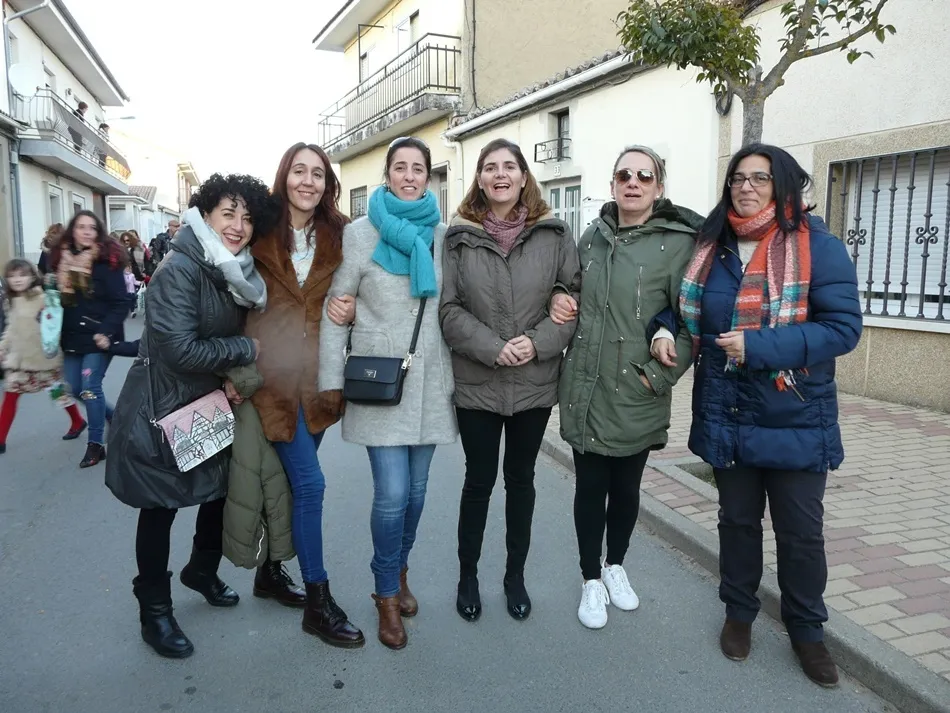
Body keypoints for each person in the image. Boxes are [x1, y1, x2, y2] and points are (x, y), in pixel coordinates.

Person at [668, 143, 861, 688]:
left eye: (759, 178)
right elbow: (687, 308)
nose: (745, 187)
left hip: (794, 413)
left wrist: (759, 346)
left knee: (801, 534)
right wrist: (663, 326)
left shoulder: (818, 246)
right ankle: (739, 612)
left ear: (783, 185)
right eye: (737, 178)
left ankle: (807, 630)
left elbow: (843, 329)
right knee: (736, 522)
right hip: (727, 410)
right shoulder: (713, 246)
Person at [104, 173, 275, 659]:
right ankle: (154, 609)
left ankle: (201, 569)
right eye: (228, 213)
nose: (238, 225)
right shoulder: (180, 268)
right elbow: (180, 349)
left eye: (247, 217)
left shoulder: (231, 271)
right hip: (162, 406)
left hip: (208, 402)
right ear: (205, 216)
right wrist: (245, 349)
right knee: (160, 508)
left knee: (216, 493)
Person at [551, 145, 702, 630]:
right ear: (613, 184)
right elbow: (570, 289)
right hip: (586, 386)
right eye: (624, 175)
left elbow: (691, 321)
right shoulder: (592, 236)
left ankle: (615, 564)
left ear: (659, 187)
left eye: (644, 176)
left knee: (626, 489)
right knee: (590, 488)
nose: (632, 182)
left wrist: (656, 376)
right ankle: (590, 578)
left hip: (636, 387)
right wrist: (560, 297)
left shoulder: (680, 244)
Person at [320, 136, 457, 650]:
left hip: (429, 381)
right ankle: (384, 593)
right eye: (400, 167)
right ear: (387, 175)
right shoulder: (360, 234)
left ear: (428, 176)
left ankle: (400, 569)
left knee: (417, 494)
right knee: (393, 493)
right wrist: (331, 382)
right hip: (380, 381)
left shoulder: (443, 236)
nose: (409, 176)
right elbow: (336, 309)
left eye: (418, 168)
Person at [439, 138, 580, 623]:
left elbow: (571, 300)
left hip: (533, 383)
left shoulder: (554, 235)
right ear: (479, 179)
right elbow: (448, 309)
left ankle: (514, 576)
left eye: (509, 167)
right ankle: (468, 576)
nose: (500, 174)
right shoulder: (458, 239)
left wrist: (536, 343)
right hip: (477, 381)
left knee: (521, 481)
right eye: (490, 167)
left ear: (523, 177)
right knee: (478, 481)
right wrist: (492, 347)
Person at [236, 142, 364, 648]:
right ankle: (318, 601)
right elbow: (226, 289)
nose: (308, 181)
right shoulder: (259, 231)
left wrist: (354, 308)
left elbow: (369, 289)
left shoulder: (342, 235)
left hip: (320, 383)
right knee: (310, 486)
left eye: (317, 174)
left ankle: (269, 573)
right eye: (299, 171)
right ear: (284, 177)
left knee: (290, 484)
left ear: (327, 183)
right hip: (271, 383)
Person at [47, 211, 129, 468]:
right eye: (81, 227)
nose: (86, 231)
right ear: (72, 230)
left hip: (99, 336)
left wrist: (105, 331)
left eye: (91, 228)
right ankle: (114, 416)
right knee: (74, 387)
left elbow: (121, 302)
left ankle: (96, 445)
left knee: (90, 387)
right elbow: (57, 301)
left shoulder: (108, 262)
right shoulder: (60, 261)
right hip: (71, 337)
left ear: (98, 233)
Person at [0, 259, 87, 455]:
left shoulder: (44, 298)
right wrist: (2, 348)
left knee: (58, 394)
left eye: (22, 275)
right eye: (12, 276)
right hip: (19, 360)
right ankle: (0, 440)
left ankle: (77, 421)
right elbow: (11, 328)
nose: (17, 280)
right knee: (10, 396)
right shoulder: (10, 300)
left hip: (44, 359)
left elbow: (54, 325)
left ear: (32, 276)